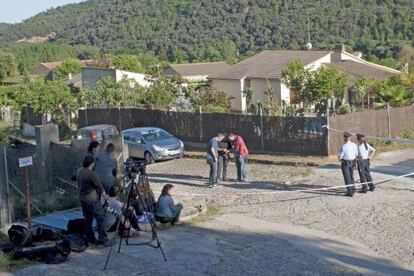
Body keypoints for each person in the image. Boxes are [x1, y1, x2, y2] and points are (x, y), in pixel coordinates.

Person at [77, 155, 108, 245]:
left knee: (88, 218)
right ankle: (102, 238)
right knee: (100, 216)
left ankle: (89, 237)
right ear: (92, 163)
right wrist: (105, 196)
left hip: (82, 198)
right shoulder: (91, 174)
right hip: (91, 199)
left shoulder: (79, 171)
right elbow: (99, 186)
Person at [338, 132, 358, 197]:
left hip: (345, 162)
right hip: (353, 162)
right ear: (349, 138)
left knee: (347, 177)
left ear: (345, 137)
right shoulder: (354, 145)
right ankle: (353, 189)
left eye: (344, 137)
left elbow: (341, 156)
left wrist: (339, 156)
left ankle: (350, 192)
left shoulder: (344, 146)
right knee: (351, 176)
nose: (343, 138)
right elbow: (356, 154)